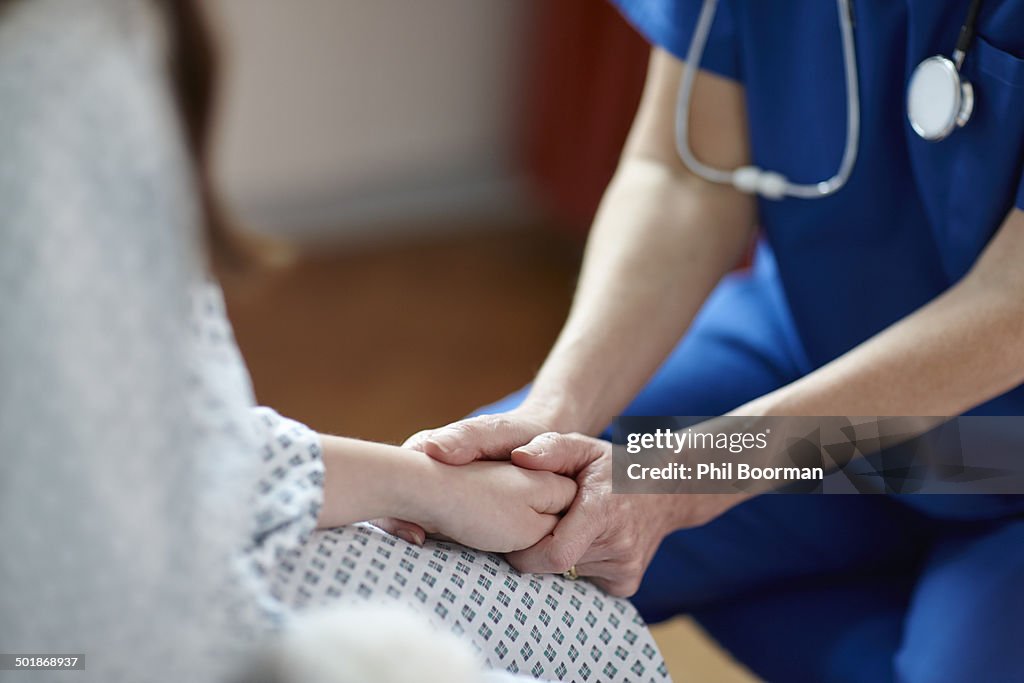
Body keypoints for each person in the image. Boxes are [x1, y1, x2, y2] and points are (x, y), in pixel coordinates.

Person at [0, 1, 671, 681]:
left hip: (775, 448)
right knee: (567, 592)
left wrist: (675, 479)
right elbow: (677, 177)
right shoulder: (67, 70)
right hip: (749, 357)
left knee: (589, 572)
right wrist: (542, 429)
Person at [392, 1, 1024, 681]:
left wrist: (690, 474)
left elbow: (1011, 306)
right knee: (455, 554)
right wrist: (550, 416)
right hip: (796, 352)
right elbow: (687, 172)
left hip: (999, 450)